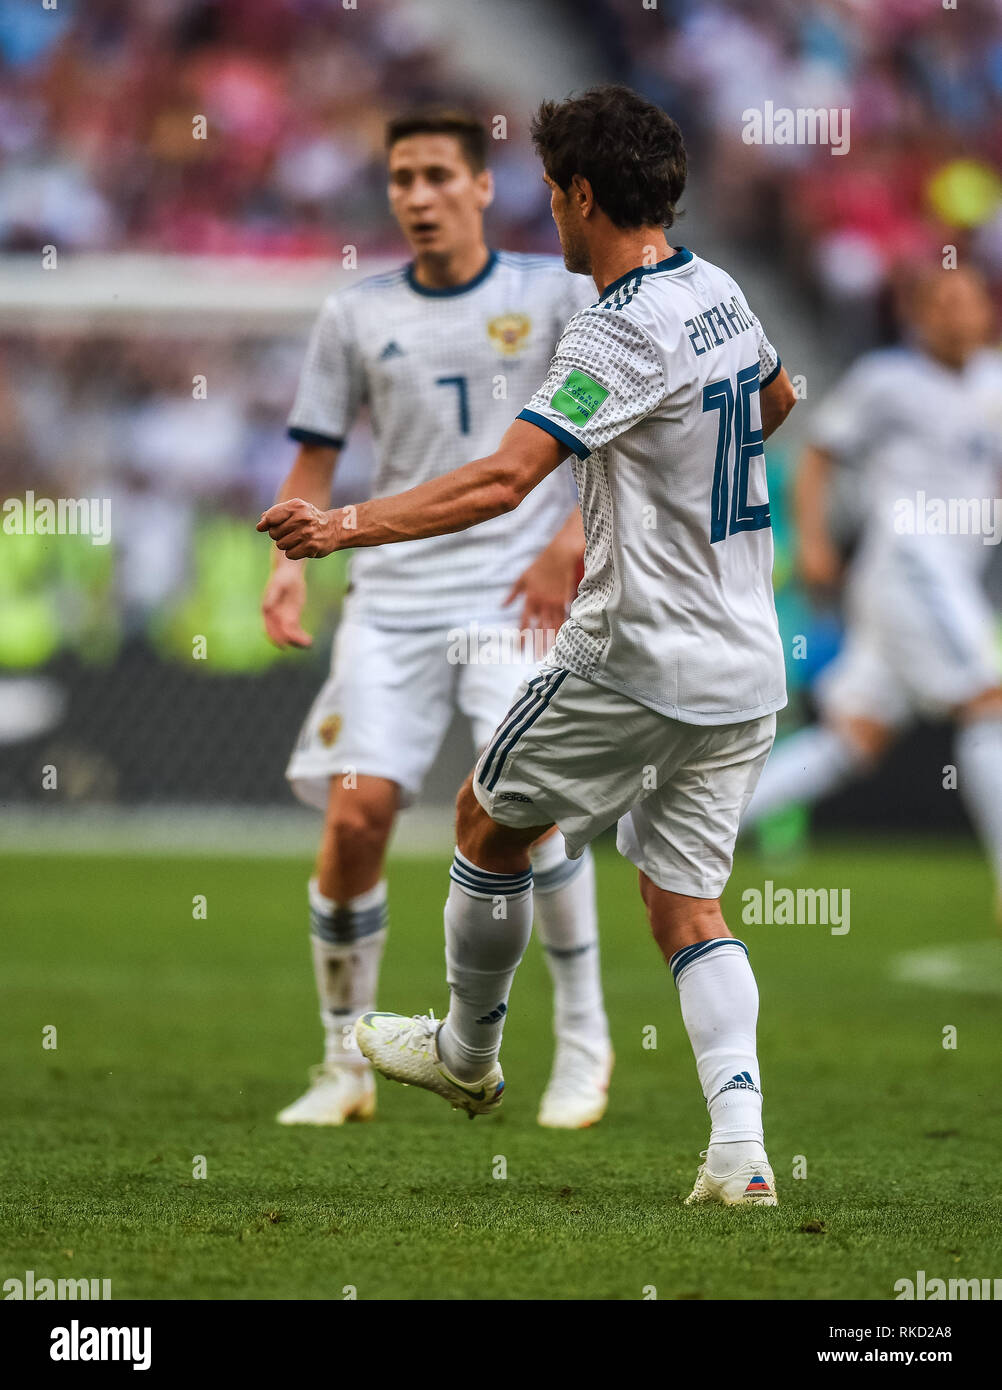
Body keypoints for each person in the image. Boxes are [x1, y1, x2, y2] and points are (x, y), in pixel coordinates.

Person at [260, 85, 797, 1206]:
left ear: (582, 195)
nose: (549, 214)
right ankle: (741, 1153)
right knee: (684, 904)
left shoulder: (616, 324)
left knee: (484, 820)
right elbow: (779, 398)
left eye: (554, 192)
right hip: (748, 664)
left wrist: (340, 526)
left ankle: (464, 1052)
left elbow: (507, 479)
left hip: (637, 656)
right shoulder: (719, 292)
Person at [262, 108, 612, 1130]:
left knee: (526, 809)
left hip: (515, 594)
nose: (415, 195)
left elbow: (606, 432)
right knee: (359, 815)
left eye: (434, 177)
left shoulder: (555, 293)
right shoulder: (355, 315)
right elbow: (317, 455)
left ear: (481, 186)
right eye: (400, 179)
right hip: (392, 598)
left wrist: (571, 541)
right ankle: (344, 1062)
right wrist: (287, 565)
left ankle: (584, 1043)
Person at [743, 266, 1002, 912]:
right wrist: (816, 542)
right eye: (940, 300)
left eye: (967, 302)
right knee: (989, 703)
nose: (954, 314)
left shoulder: (994, 383)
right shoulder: (886, 380)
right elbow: (821, 455)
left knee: (854, 738)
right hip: (911, 561)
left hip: (943, 578)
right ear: (918, 314)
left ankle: (683, 831)